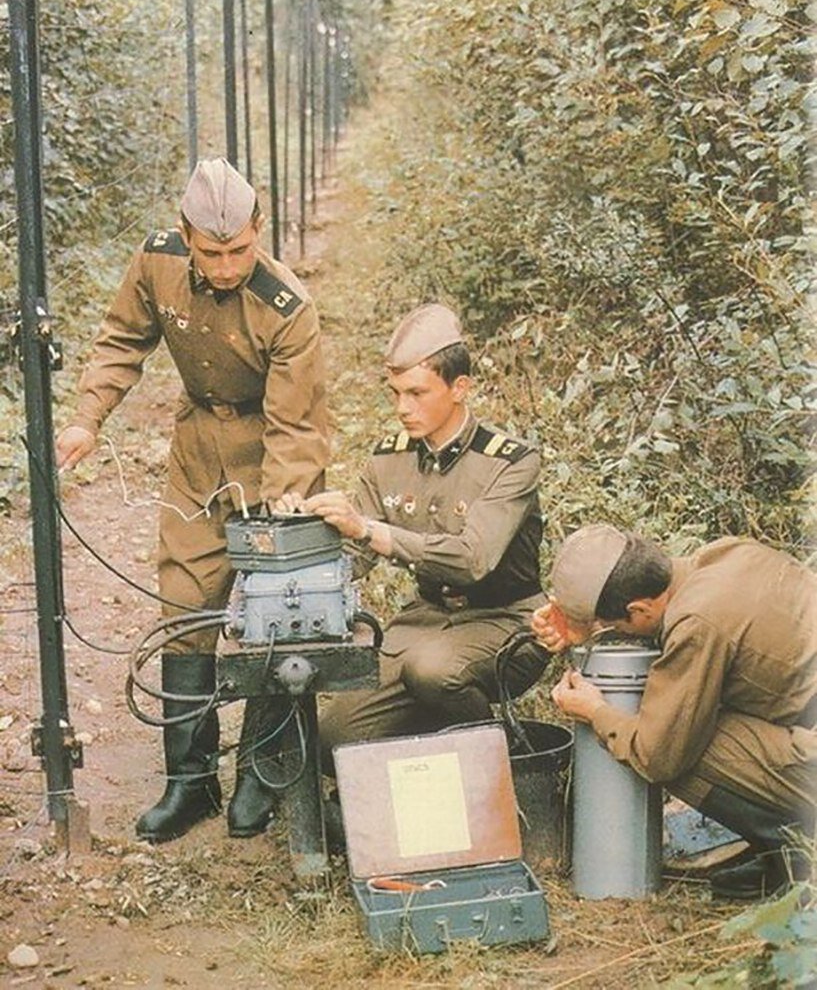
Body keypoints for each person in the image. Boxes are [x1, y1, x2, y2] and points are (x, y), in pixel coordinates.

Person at [56, 157, 329, 844]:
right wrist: (88, 417)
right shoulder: (156, 264)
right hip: (197, 453)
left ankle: (262, 776)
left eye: (240, 249)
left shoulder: (287, 308)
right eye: (213, 253)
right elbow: (122, 338)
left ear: (258, 231)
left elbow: (297, 427)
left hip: (272, 451)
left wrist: (278, 515)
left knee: (275, 614)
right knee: (184, 607)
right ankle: (190, 782)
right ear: (184, 236)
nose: (228, 265)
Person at [276, 302, 549, 766]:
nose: (402, 408)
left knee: (436, 674)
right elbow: (353, 557)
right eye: (396, 393)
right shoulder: (389, 459)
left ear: (459, 388)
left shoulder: (511, 461)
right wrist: (304, 527)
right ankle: (433, 755)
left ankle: (503, 768)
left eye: (417, 393)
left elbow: (472, 558)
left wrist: (370, 529)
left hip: (505, 620)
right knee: (331, 742)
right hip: (422, 626)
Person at [533, 524, 817, 899]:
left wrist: (596, 711)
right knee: (683, 715)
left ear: (637, 609)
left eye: (614, 623)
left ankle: (799, 855)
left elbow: (658, 755)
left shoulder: (697, 622)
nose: (611, 629)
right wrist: (589, 629)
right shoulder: (726, 554)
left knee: (671, 744)